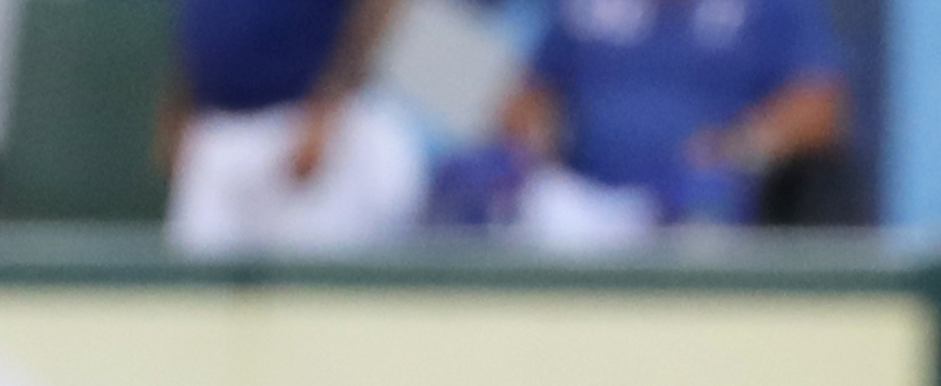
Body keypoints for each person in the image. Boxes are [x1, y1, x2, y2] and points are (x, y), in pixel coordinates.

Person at [453, 0, 851, 250]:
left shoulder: (771, 8)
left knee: (704, 201)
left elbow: (820, 108)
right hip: (585, 205)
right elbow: (528, 97)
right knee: (481, 182)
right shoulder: (584, 9)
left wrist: (735, 147)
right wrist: (532, 143)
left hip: (703, 204)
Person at [162, 0, 423, 258]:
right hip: (213, 126)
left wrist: (329, 104)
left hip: (304, 124)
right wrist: (181, 105)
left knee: (308, 286)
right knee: (196, 286)